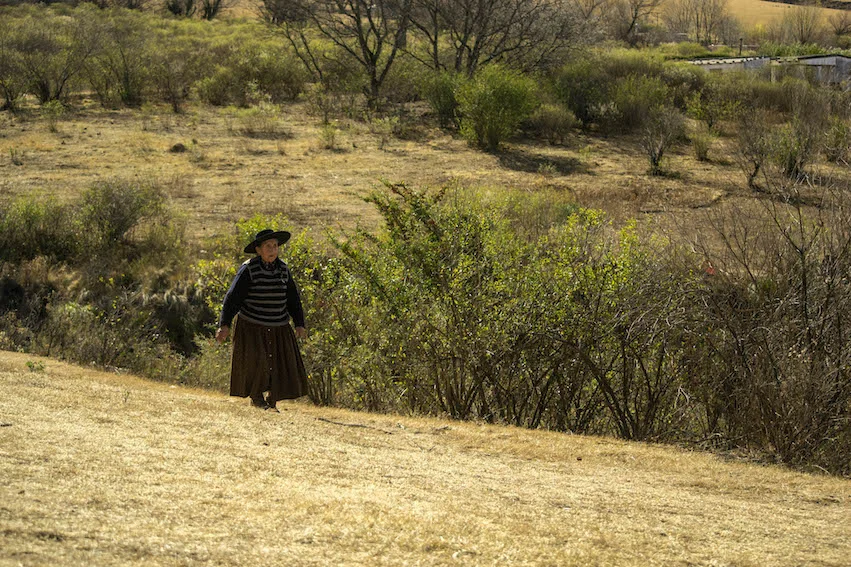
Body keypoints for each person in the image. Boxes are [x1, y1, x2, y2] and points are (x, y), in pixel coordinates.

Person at [216, 229, 308, 411]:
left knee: (279, 364)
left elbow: (293, 298)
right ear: (258, 250)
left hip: (279, 325)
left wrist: (299, 324)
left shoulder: (283, 269)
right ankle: (257, 397)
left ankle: (272, 399)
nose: (272, 249)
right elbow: (232, 298)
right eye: (268, 246)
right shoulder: (248, 269)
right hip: (252, 325)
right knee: (258, 364)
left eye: (275, 246)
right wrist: (224, 324)